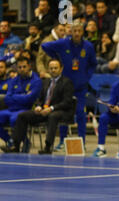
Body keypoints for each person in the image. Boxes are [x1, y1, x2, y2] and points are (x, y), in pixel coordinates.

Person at [41, 21, 97, 149]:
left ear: (83, 32)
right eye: (74, 31)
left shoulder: (88, 46)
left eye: (79, 31)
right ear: (70, 31)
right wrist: (57, 59)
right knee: (63, 114)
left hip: (81, 87)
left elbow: (93, 64)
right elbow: (45, 46)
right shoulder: (63, 43)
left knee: (81, 114)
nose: (77, 33)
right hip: (65, 86)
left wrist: (87, 77)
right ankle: (62, 141)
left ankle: (82, 142)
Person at [1, 59, 75, 154]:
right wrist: (38, 106)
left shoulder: (67, 82)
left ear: (61, 69)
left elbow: (67, 102)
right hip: (44, 110)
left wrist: (51, 108)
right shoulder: (46, 82)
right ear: (48, 69)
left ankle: (47, 147)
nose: (53, 70)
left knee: (53, 116)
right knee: (22, 116)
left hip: (61, 111)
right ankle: (15, 145)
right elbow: (40, 99)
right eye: (51, 68)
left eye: (55, 68)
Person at [0, 57, 42, 151]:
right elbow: (7, 98)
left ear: (29, 66)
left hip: (26, 110)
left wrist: (14, 97)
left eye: (24, 67)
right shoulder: (14, 80)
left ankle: (18, 144)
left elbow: (29, 99)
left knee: (14, 119)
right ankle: (11, 141)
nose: (22, 69)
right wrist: (22, 96)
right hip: (11, 109)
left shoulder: (36, 81)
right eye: (19, 67)